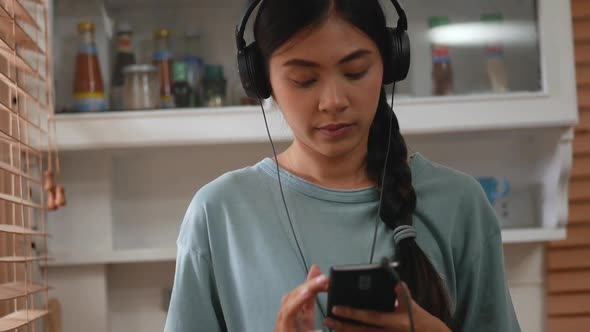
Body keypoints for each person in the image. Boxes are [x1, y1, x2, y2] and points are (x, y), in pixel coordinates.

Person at [164, 0, 521, 331]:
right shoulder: (218, 215)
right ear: (261, 80)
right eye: (304, 80)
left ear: (388, 64)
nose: (333, 101)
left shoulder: (461, 204)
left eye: (355, 71)